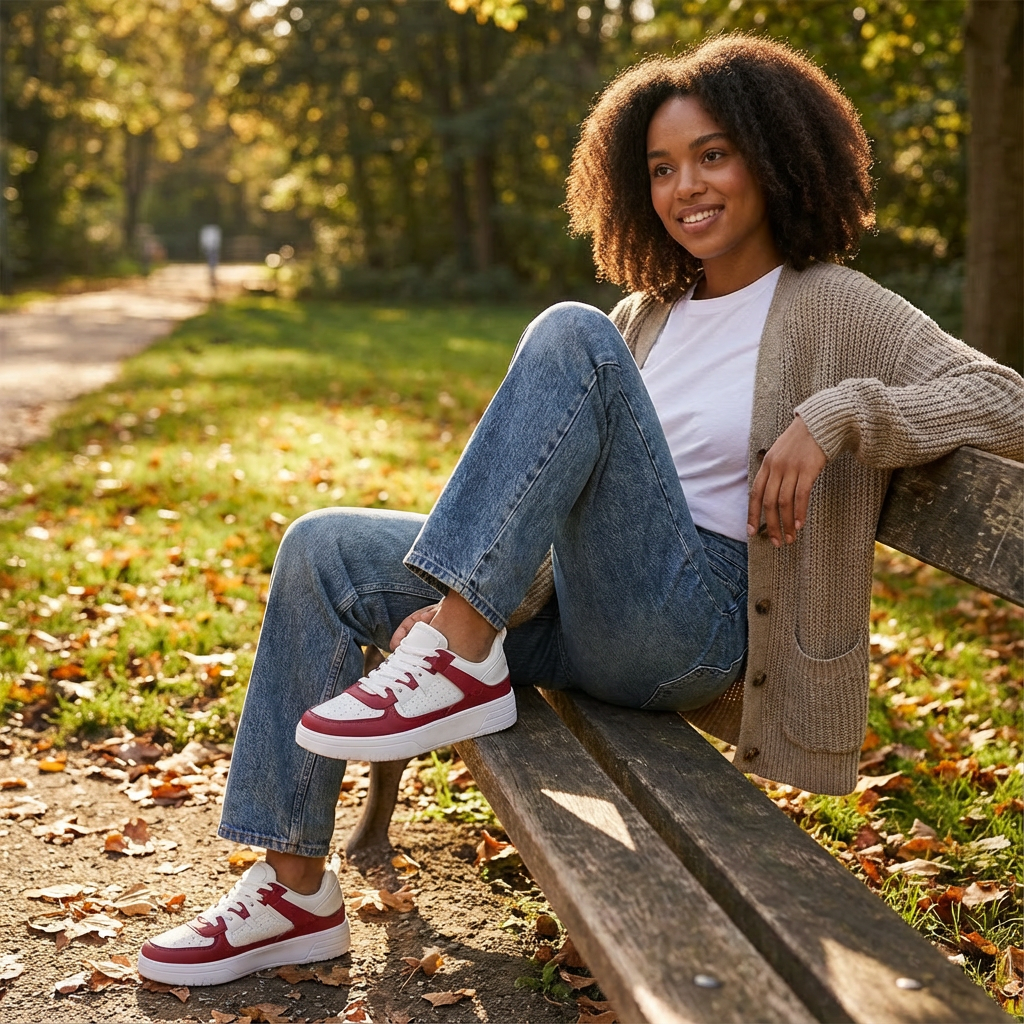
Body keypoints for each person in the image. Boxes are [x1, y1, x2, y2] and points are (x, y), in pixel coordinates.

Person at [137, 35, 1023, 986]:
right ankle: (292, 893)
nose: (685, 186)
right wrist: (493, 599)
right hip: (577, 610)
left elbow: (1007, 400)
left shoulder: (837, 306)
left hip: (691, 628)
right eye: (661, 168)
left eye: (713, 155)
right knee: (322, 549)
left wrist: (840, 416)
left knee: (571, 334)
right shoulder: (650, 313)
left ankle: (455, 652)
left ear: (774, 156)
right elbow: (571, 507)